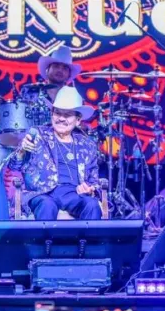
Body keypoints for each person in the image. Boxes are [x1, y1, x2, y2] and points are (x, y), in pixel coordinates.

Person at [10, 86, 103, 220]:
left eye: (67, 115)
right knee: (47, 205)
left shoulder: (87, 145)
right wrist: (21, 150)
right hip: (43, 193)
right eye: (57, 113)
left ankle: (89, 241)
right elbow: (14, 166)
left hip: (74, 194)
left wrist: (89, 188)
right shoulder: (38, 134)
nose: (61, 118)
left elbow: (94, 181)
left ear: (78, 120)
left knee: (92, 205)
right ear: (52, 114)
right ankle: (43, 241)